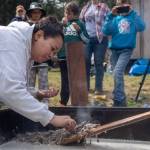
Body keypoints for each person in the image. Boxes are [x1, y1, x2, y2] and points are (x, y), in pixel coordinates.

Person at [0, 16, 76, 130]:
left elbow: (11, 85)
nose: (52, 56)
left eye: (55, 52)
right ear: (38, 35)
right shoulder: (14, 42)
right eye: (52, 48)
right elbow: (10, 90)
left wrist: (37, 94)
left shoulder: (25, 45)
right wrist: (51, 118)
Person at [102, 0, 145, 106]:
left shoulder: (133, 18)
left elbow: (142, 26)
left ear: (130, 6)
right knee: (117, 75)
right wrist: (110, 16)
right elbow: (106, 31)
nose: (122, 7)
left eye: (125, 5)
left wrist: (133, 13)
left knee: (117, 73)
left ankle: (119, 100)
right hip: (114, 51)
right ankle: (119, 98)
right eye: (119, 5)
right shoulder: (115, 19)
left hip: (126, 50)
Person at [80, 0, 110, 95]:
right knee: (86, 61)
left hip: (100, 39)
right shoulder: (86, 8)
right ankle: (86, 87)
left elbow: (110, 20)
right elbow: (81, 22)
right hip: (87, 39)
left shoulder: (104, 6)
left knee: (98, 62)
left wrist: (105, 31)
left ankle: (98, 88)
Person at [26, 2, 54, 103]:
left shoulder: (45, 26)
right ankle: (29, 105)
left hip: (43, 60)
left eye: (38, 12)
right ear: (30, 14)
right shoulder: (26, 25)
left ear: (41, 13)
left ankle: (45, 105)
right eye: (34, 12)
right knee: (29, 85)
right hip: (30, 60)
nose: (36, 14)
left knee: (44, 84)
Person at [57, 17, 70, 106]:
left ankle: (77, 101)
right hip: (62, 57)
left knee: (73, 80)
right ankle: (63, 101)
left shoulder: (75, 26)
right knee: (65, 79)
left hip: (73, 57)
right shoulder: (59, 29)